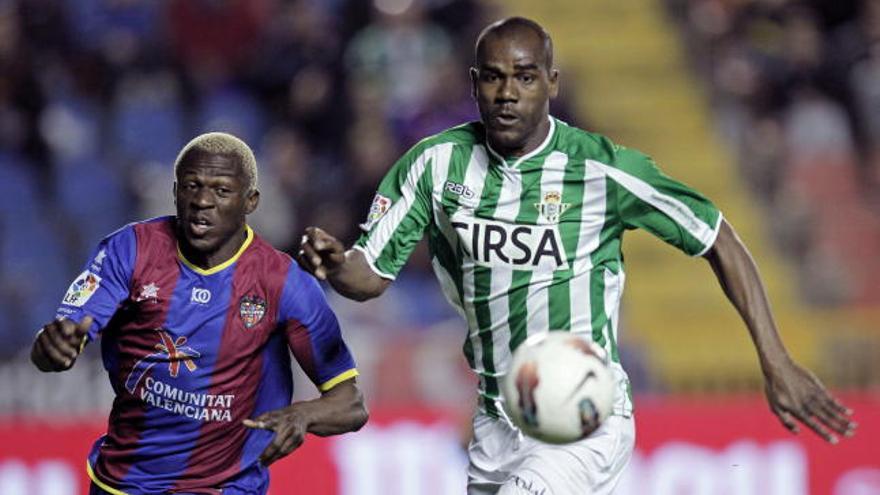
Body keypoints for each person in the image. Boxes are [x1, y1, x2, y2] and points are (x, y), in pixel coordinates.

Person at [298, 17, 857, 495]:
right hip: (497, 420)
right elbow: (369, 276)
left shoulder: (601, 170)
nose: (508, 93)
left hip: (584, 414)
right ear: (473, 84)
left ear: (552, 83)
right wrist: (336, 264)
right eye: (493, 78)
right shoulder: (435, 165)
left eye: (525, 77)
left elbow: (717, 238)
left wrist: (775, 359)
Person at [31, 132, 368, 494]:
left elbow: (350, 404)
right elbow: (60, 340)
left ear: (250, 201)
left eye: (222, 191)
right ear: (176, 191)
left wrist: (303, 414)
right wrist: (50, 347)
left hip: (225, 487)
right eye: (192, 186)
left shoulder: (285, 283)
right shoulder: (129, 249)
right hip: (125, 484)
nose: (203, 201)